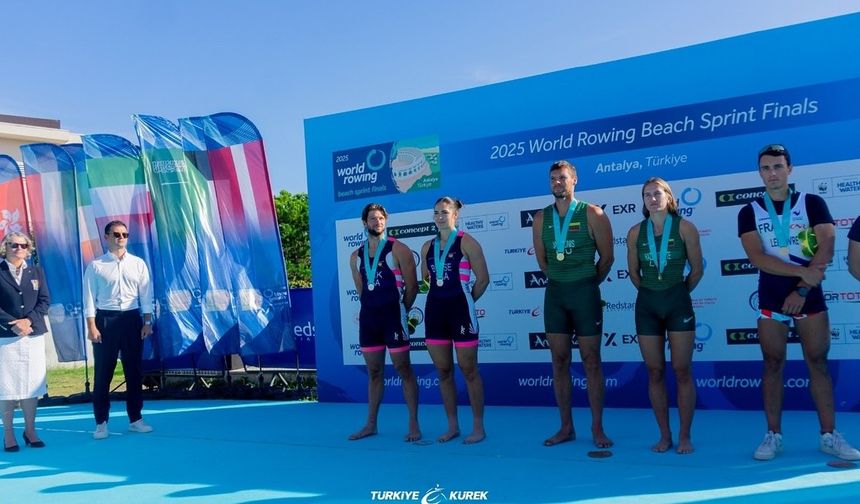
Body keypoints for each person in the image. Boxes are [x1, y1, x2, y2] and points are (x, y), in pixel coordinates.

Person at [738, 144, 859, 461]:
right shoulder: (749, 210)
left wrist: (802, 289)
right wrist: (804, 273)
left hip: (809, 295)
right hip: (771, 295)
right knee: (772, 363)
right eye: (766, 168)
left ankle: (829, 435)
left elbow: (827, 245)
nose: (772, 174)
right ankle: (772, 435)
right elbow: (758, 257)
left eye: (778, 167)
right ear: (760, 173)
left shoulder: (812, 203)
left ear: (790, 169)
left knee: (817, 363)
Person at [532, 160, 614, 448]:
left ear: (574, 180)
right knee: (559, 361)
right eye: (553, 178)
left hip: (585, 294)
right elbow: (542, 262)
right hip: (555, 294)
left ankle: (597, 428)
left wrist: (587, 283)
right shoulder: (541, 218)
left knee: (591, 361)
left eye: (563, 178)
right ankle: (566, 427)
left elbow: (607, 259)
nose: (557, 182)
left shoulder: (593, 213)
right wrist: (562, 279)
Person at [626, 177, 703, 454]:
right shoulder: (635, 232)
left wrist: (677, 292)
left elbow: (696, 270)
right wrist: (653, 290)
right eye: (647, 195)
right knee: (655, 371)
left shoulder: (685, 228)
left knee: (682, 370)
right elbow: (634, 274)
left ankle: (684, 436)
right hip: (647, 304)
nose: (652, 199)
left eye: (657, 194)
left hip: (677, 303)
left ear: (668, 197)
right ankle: (665, 435)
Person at [348, 203, 422, 442]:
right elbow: (361, 290)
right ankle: (371, 424)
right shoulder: (355, 256)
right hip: (369, 320)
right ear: (364, 223)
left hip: (394, 318)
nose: (377, 222)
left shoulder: (399, 249)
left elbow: (412, 287)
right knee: (374, 372)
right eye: (372, 219)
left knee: (404, 369)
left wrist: (400, 310)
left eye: (380, 218)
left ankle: (413, 424)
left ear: (386, 221)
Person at [420, 197, 489, 444]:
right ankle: (452, 426)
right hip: (435, 312)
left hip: (461, 310)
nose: (440, 216)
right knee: (444, 371)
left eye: (445, 212)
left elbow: (483, 280)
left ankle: (478, 427)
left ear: (455, 215)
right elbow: (426, 280)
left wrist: (467, 301)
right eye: (436, 212)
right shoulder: (426, 247)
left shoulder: (468, 242)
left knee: (469, 370)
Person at [83, 220, 154, 440]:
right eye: (115, 234)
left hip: (132, 320)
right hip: (106, 320)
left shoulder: (138, 263)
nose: (120, 237)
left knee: (134, 372)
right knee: (103, 374)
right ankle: (101, 423)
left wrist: (147, 321)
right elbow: (88, 299)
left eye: (124, 234)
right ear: (106, 237)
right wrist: (92, 326)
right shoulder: (96, 266)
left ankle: (136, 419)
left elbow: (146, 295)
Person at [0, 232, 50, 452]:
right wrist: (14, 323)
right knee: (6, 387)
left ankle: (30, 430)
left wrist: (29, 320)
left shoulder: (35, 271)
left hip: (33, 334)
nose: (18, 248)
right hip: (6, 337)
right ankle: (8, 433)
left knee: (31, 386)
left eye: (23, 245)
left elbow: (44, 300)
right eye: (13, 245)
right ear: (5, 247)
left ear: (28, 249)